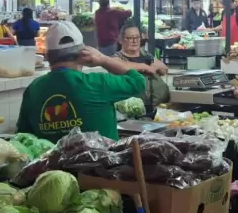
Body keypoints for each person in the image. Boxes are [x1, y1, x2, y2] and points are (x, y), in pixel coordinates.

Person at [16, 21, 154, 141]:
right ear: (83, 53)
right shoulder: (97, 83)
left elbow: (23, 135)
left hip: (52, 168)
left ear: (47, 56)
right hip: (98, 168)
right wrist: (103, 59)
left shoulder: (33, 89)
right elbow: (138, 81)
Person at [114, 22, 171, 113]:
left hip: (159, 108)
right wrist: (144, 66)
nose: (135, 41)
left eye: (137, 37)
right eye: (130, 38)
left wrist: (155, 67)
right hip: (134, 112)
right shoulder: (116, 58)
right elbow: (120, 66)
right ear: (120, 40)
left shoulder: (145, 54)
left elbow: (164, 69)